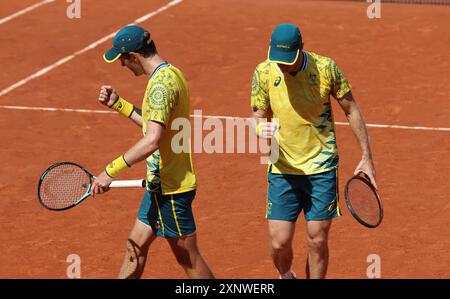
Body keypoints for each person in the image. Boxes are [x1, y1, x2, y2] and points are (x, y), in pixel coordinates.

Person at [251, 23, 377, 279]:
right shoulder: (263, 71)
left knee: (317, 239)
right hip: (283, 167)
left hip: (321, 167)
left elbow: (351, 109)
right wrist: (258, 129)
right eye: (278, 60)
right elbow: (257, 113)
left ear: (301, 51)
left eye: (288, 61)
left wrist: (367, 157)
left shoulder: (326, 68)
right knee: (279, 242)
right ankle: (285, 275)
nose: (282, 66)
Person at [92, 25, 214, 279]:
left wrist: (109, 171)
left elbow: (152, 141)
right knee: (134, 247)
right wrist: (119, 104)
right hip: (160, 185)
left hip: (172, 189)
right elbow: (155, 126)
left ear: (133, 56)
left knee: (189, 260)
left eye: (122, 59)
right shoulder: (171, 74)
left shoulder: (159, 87)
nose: (122, 65)